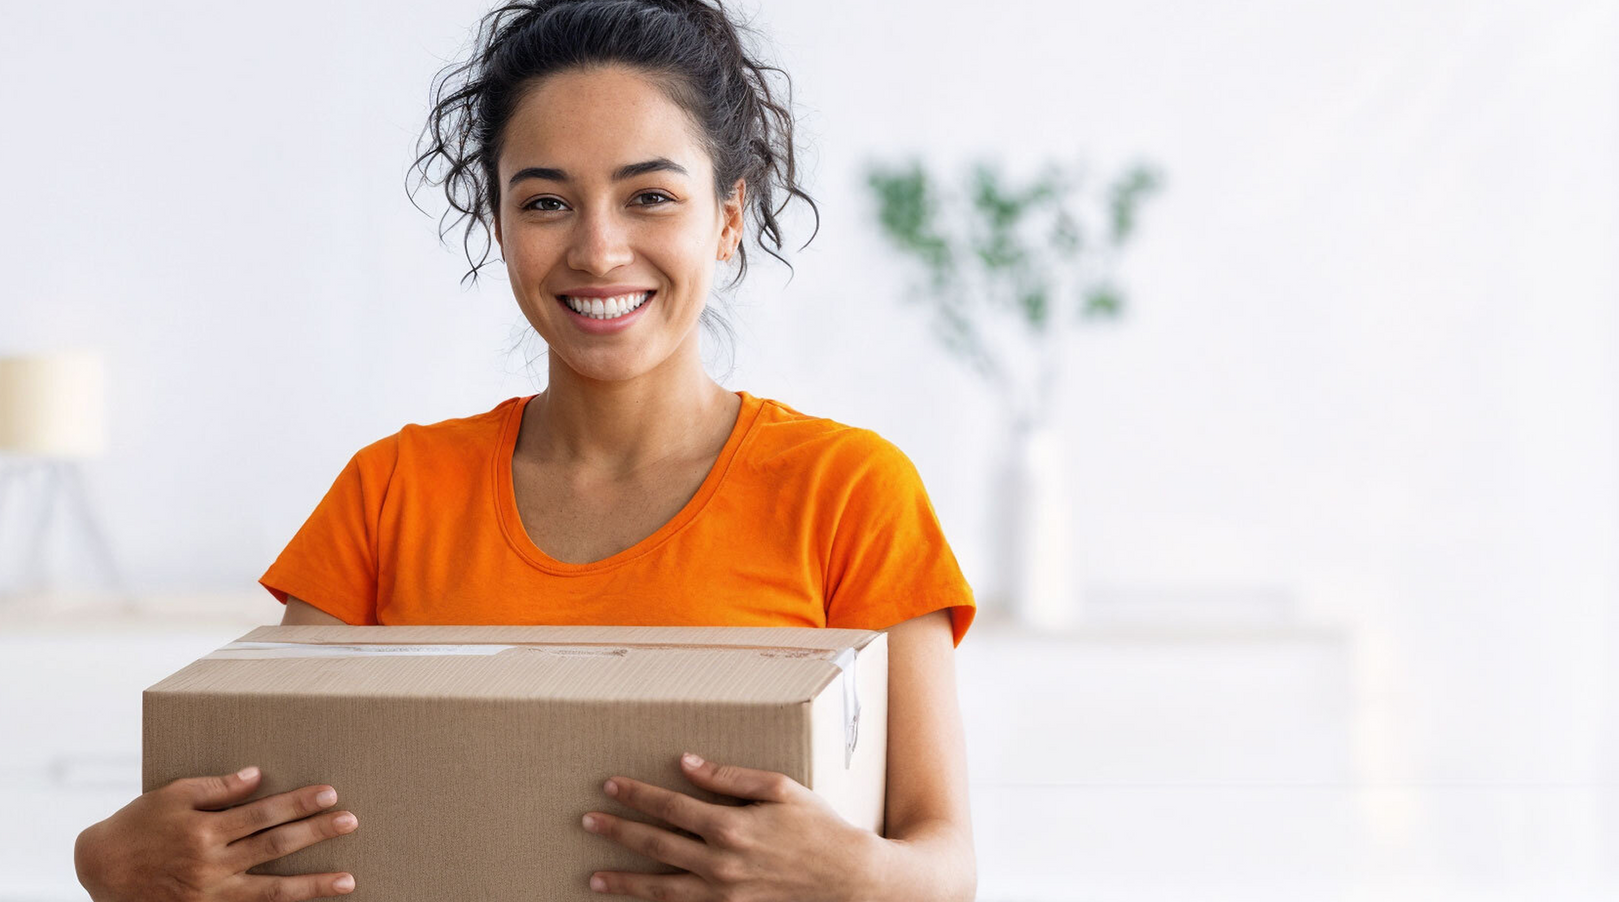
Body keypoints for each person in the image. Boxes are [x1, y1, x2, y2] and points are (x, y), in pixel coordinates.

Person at [74, 1, 978, 900]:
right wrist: (105, 861)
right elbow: (269, 819)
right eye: (546, 202)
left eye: (650, 197)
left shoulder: (848, 492)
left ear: (728, 218)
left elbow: (944, 866)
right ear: (499, 223)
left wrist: (854, 876)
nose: (598, 250)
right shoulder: (392, 492)